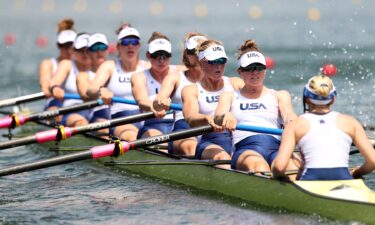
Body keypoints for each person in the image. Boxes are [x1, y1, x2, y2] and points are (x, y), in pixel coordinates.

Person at [214, 40, 298, 174]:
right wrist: (226, 116)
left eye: (259, 68)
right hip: (245, 150)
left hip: (276, 149)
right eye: (249, 69)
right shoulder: (229, 96)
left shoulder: (280, 95)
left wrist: (293, 123)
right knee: (260, 168)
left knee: (292, 170)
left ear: (265, 70)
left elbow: (289, 115)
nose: (255, 73)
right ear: (240, 72)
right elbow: (218, 117)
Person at [272, 74, 375, 180]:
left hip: (310, 180)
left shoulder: (295, 125)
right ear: (333, 99)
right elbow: (373, 162)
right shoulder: (351, 122)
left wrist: (284, 180)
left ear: (306, 99)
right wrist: (356, 173)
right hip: (344, 179)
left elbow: (279, 167)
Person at [182, 39, 244, 168]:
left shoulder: (235, 83)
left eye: (222, 61)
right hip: (209, 142)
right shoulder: (191, 90)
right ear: (201, 63)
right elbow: (190, 117)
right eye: (213, 62)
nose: (219, 66)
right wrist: (207, 118)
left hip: (237, 140)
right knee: (223, 158)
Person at [86, 24, 150, 141]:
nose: (130, 46)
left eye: (134, 42)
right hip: (120, 120)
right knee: (134, 137)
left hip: (147, 119)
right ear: (118, 47)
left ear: (139, 46)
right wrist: (101, 91)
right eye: (125, 42)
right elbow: (91, 89)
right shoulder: (109, 66)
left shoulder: (147, 67)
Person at [152, 32, 207, 156]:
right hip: (184, 129)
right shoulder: (175, 78)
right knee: (192, 148)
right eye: (194, 52)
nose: (199, 56)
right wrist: (161, 102)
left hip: (212, 129)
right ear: (187, 55)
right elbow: (159, 99)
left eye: (203, 52)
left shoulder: (218, 81)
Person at [132, 31, 185, 139]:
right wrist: (154, 106)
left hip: (180, 125)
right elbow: (141, 100)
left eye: (165, 55)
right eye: (156, 55)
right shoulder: (139, 77)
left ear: (170, 55)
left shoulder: (182, 72)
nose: (161, 60)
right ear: (148, 55)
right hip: (153, 125)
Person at [49, 33, 92, 127]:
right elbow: (55, 82)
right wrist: (55, 88)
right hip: (71, 109)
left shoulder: (102, 67)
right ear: (73, 51)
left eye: (87, 50)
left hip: (95, 110)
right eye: (80, 50)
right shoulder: (67, 64)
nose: (84, 53)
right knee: (81, 123)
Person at [39, 18, 76, 115]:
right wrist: (51, 88)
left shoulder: (83, 64)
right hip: (55, 103)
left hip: (77, 102)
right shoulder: (48, 63)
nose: (69, 50)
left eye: (72, 46)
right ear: (58, 45)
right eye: (65, 46)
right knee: (55, 109)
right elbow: (45, 83)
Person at [77, 33, 110, 124]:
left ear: (107, 50)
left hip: (122, 113)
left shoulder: (116, 69)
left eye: (102, 47)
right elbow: (85, 96)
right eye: (95, 48)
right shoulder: (83, 75)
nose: (99, 52)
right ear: (88, 52)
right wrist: (100, 92)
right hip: (98, 114)